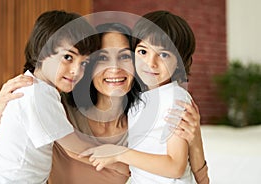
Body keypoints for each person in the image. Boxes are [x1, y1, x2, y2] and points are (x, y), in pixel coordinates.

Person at [0, 20, 209, 184]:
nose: (114, 68)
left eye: (125, 56)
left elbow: (182, 176)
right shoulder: (60, 114)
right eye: (102, 57)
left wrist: (194, 141)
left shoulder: (143, 124)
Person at [80, 11, 207, 184]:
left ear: (179, 61)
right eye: (142, 51)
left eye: (163, 55)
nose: (150, 63)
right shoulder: (142, 97)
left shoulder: (174, 98)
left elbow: (176, 167)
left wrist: (118, 153)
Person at [0, 10, 100, 183]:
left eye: (84, 63)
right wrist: (121, 160)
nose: (76, 70)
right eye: (68, 57)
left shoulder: (34, 88)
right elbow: (74, 148)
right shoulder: (39, 94)